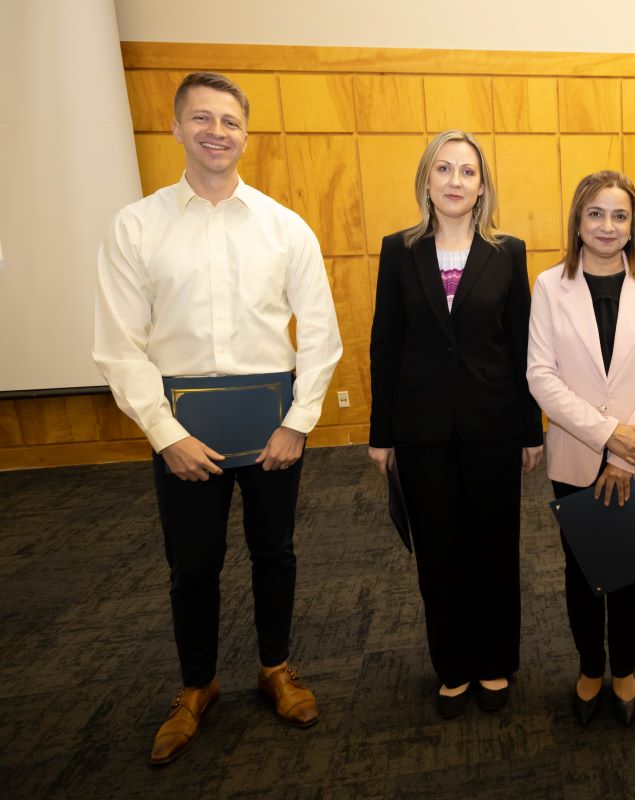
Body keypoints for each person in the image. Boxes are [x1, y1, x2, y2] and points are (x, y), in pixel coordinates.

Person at [93, 72, 343, 765]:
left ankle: (275, 668)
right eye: (201, 119)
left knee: (276, 554)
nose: (216, 132)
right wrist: (166, 435)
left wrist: (298, 422)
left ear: (244, 134)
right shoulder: (136, 227)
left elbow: (321, 334)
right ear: (176, 128)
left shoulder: (284, 227)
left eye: (229, 121)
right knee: (192, 565)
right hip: (184, 436)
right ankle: (197, 685)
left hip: (274, 432)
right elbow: (118, 345)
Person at [367, 130, 543, 720]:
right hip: (420, 431)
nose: (455, 181)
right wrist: (381, 433)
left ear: (482, 185)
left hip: (493, 424)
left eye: (467, 172)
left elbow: (520, 344)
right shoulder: (399, 250)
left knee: (495, 549)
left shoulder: (508, 251)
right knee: (438, 553)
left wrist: (530, 431)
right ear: (425, 180)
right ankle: (453, 667)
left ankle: (495, 663)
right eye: (443, 169)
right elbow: (384, 343)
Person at [526, 171, 635, 727]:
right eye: (596, 214)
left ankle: (625, 670)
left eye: (619, 215)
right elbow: (540, 375)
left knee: (629, 563)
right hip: (575, 451)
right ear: (578, 222)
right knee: (582, 565)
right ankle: (591, 667)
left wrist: (622, 448)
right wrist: (603, 434)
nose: (608, 226)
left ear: (632, 224)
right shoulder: (549, 285)